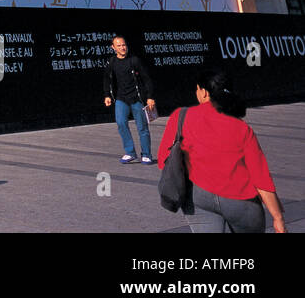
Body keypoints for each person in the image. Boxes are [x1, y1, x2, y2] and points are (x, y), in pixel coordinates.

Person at [157, 68, 287, 234]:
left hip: (199, 199)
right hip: (241, 203)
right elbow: (261, 178)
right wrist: (278, 218)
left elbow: (163, 160)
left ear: (203, 92)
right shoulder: (242, 128)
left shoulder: (181, 116)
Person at [102, 35, 157, 164]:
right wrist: (107, 95)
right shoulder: (112, 62)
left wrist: (149, 97)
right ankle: (130, 152)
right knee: (121, 123)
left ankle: (146, 154)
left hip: (137, 99)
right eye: (119, 45)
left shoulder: (134, 61)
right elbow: (107, 79)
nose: (122, 47)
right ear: (113, 48)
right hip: (121, 98)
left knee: (142, 127)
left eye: (124, 45)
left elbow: (146, 79)